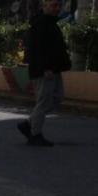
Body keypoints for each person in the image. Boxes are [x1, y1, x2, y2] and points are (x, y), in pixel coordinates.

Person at [19, 0, 70, 146]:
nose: (57, 8)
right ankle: (35, 134)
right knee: (44, 102)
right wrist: (45, 68)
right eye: (54, 5)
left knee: (56, 98)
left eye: (58, 5)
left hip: (54, 69)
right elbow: (37, 49)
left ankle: (28, 124)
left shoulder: (51, 23)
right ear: (44, 6)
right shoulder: (41, 24)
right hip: (44, 71)